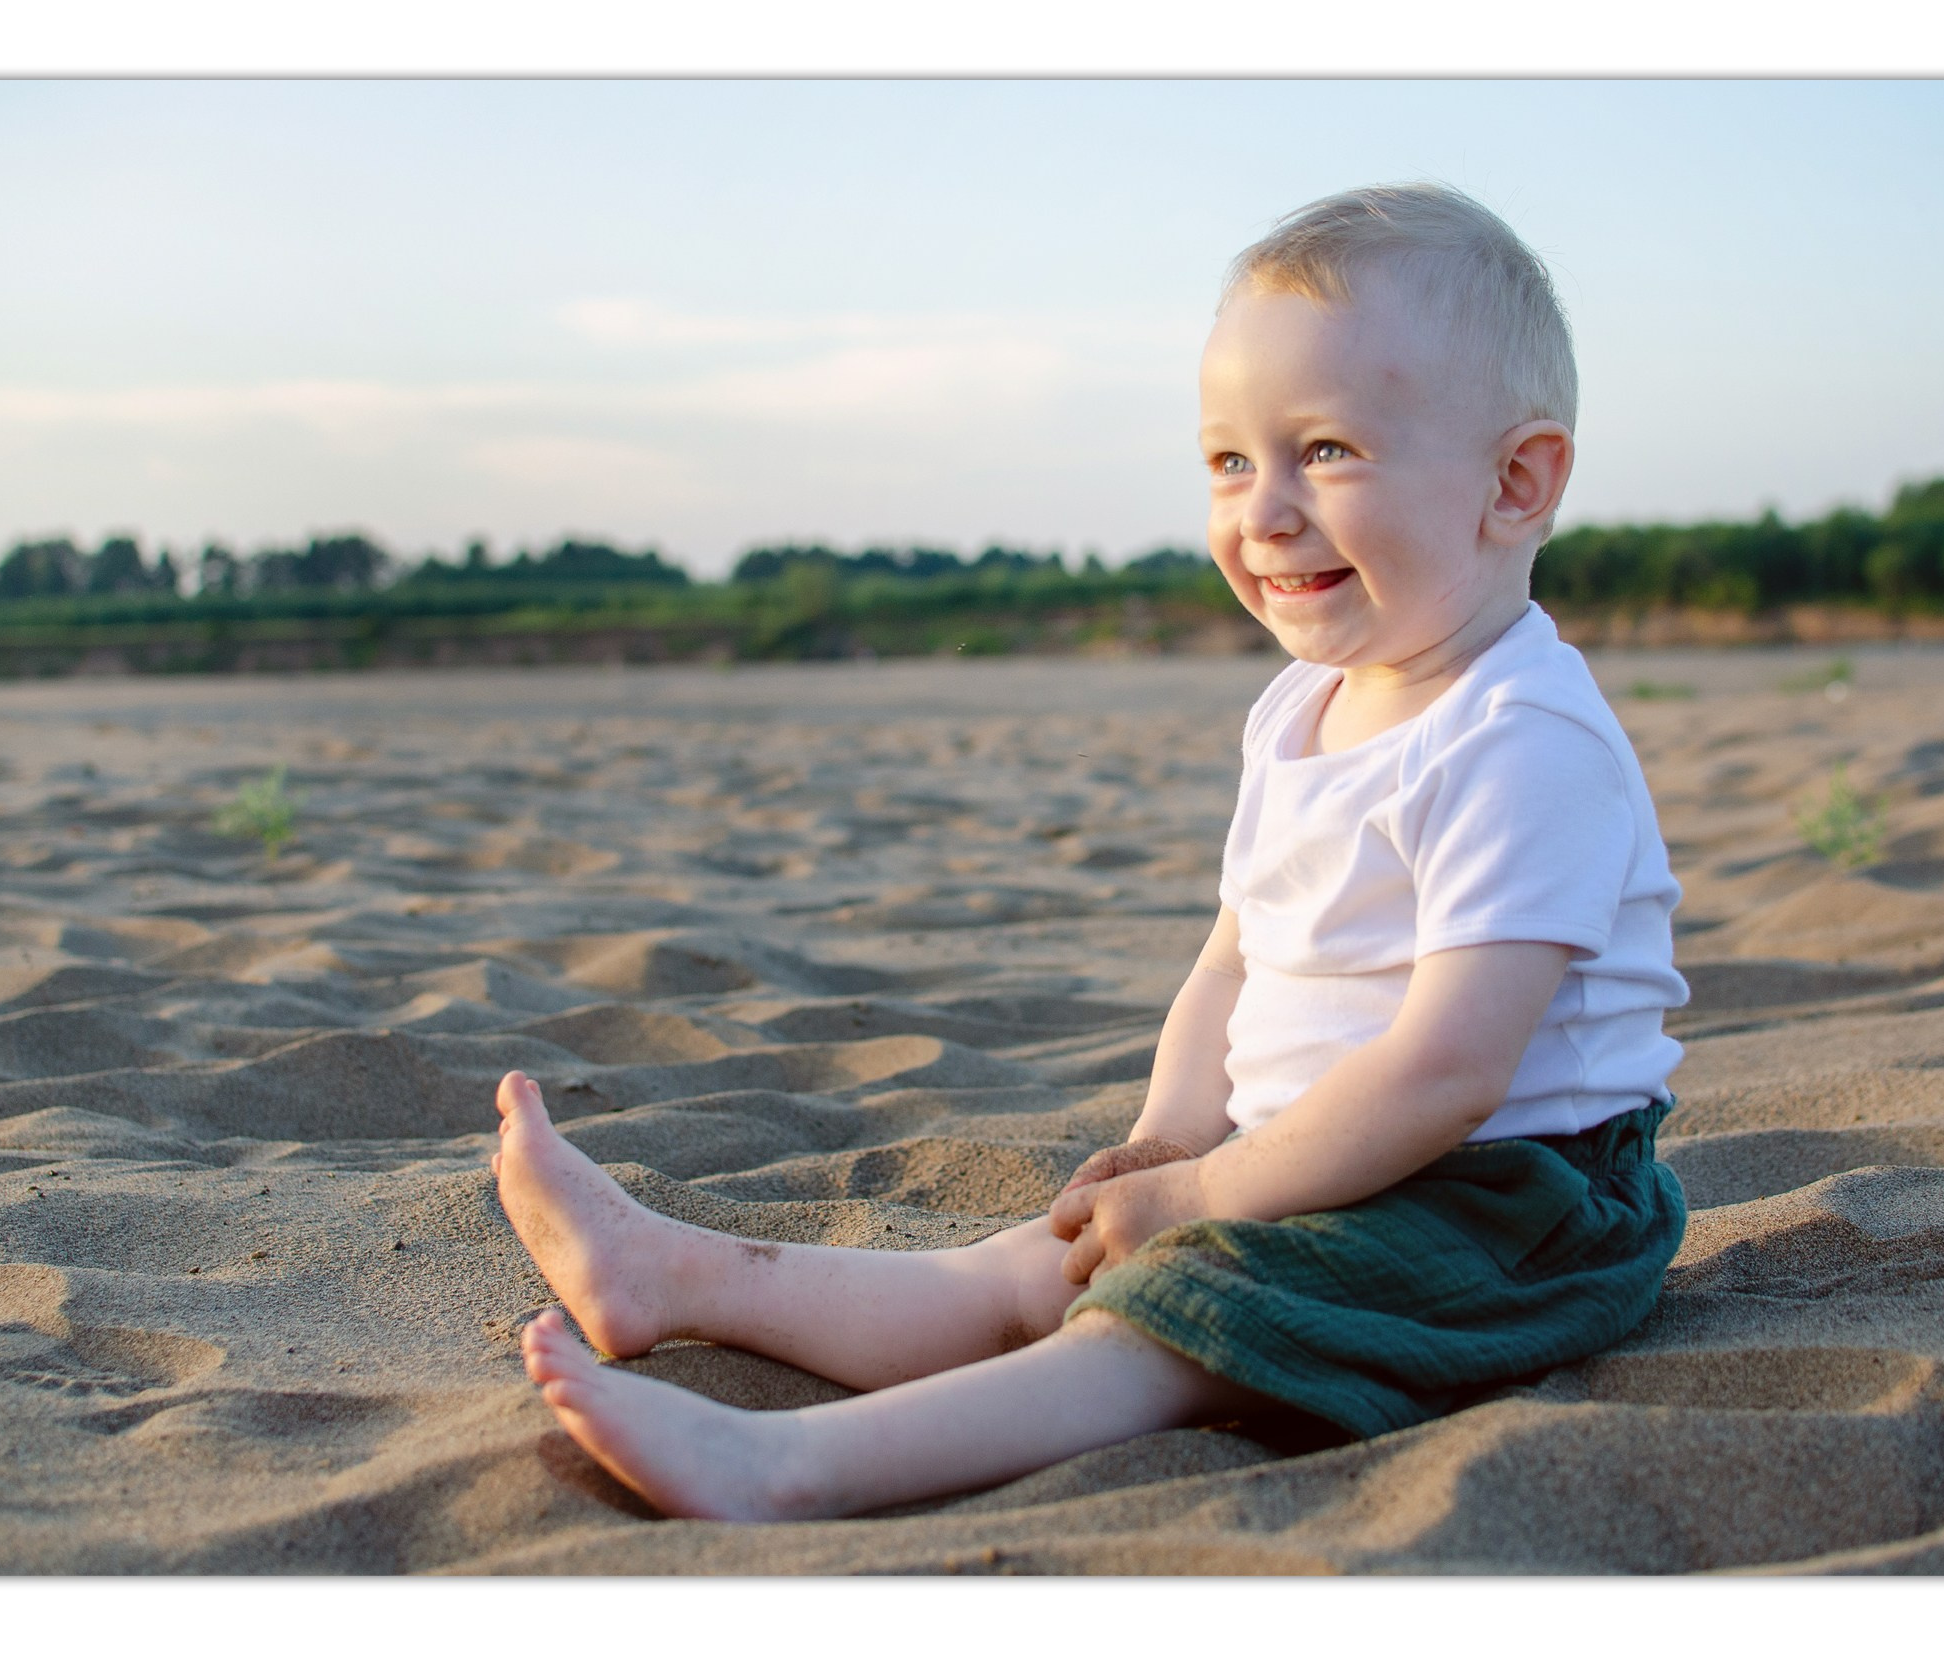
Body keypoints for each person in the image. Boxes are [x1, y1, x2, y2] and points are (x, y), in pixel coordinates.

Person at [488, 182, 1690, 1522]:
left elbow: (1447, 1070)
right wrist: (1170, 1138)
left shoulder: (1522, 739)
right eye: (1229, 463)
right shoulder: (1302, 710)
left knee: (1170, 1316)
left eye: (1329, 451)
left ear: (1513, 484)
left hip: (1510, 1206)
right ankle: (676, 1279)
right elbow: (1234, 960)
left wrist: (1213, 1193)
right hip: (1316, 1158)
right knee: (1036, 1268)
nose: (1265, 512)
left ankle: (787, 1466)